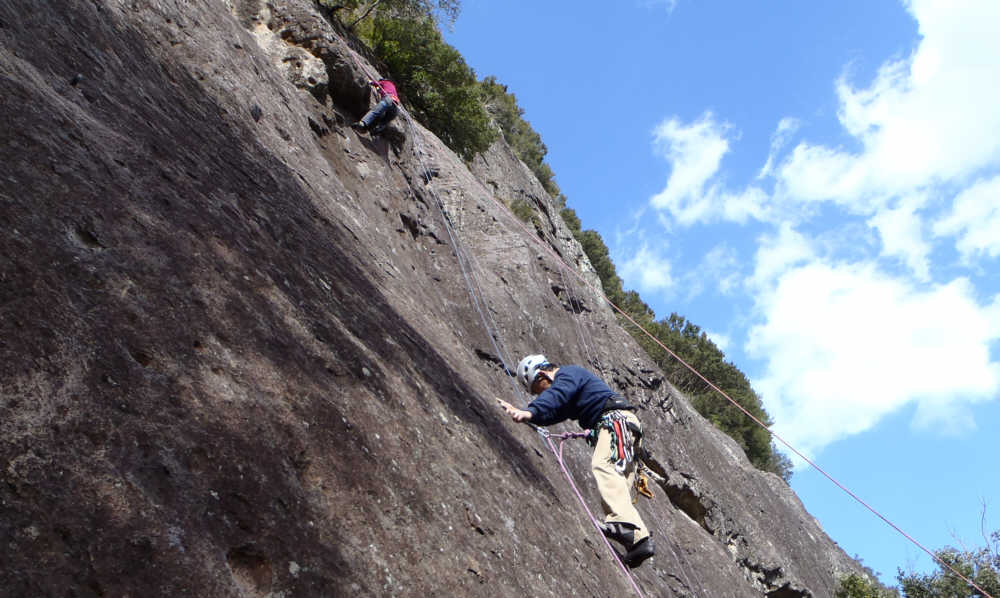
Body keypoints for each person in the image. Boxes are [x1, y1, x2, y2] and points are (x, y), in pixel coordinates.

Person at [497, 354, 656, 568]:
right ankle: (639, 543)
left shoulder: (569, 374)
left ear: (543, 374)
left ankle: (627, 526)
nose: (540, 393)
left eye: (538, 388)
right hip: (626, 427)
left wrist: (529, 410)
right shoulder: (568, 389)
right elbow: (555, 411)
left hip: (616, 422)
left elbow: (557, 394)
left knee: (604, 466)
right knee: (618, 483)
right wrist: (532, 416)